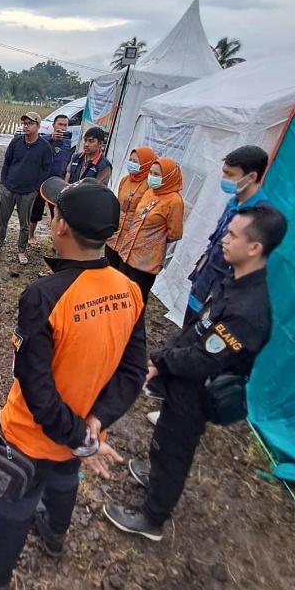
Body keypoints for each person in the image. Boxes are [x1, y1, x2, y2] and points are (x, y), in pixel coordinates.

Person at [0, 178, 147, 590]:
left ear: (60, 226)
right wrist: (93, 424)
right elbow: (133, 371)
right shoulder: (129, 290)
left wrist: (81, 436)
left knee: (15, 506)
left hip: (32, 437)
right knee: (63, 481)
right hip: (81, 431)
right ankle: (55, 535)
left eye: (55, 211)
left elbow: (36, 387)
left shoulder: (44, 295)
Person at [104, 206, 287, 541]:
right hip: (184, 380)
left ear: (255, 248)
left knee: (174, 449)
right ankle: (156, 476)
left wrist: (160, 362)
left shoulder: (248, 311)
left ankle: (151, 517)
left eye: (232, 235)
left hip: (198, 391)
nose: (223, 241)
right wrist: (163, 358)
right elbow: (197, 330)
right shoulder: (234, 281)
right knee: (164, 440)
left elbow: (203, 359)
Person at [185, 145, 271, 325]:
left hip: (218, 299)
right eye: (224, 173)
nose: (224, 179)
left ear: (252, 177)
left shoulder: (259, 216)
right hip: (201, 286)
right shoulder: (233, 203)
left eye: (230, 175)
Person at [0, 112, 52, 265]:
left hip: (28, 192)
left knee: (24, 225)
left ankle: (21, 250)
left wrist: (35, 189)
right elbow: (7, 163)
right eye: (24, 123)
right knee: (3, 220)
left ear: (38, 126)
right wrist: (3, 184)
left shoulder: (44, 147)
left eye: (30, 123)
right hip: (9, 188)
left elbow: (46, 169)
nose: (26, 126)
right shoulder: (15, 142)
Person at [116, 157, 184, 306]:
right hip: (128, 251)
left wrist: (153, 239)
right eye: (151, 173)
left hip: (146, 260)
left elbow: (175, 233)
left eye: (157, 174)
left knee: (136, 298)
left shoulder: (175, 201)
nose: (152, 177)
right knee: (120, 291)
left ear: (169, 176)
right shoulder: (149, 192)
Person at [105, 146, 157, 269]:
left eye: (136, 162)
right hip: (115, 233)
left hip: (132, 238)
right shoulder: (125, 180)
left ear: (146, 164)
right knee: (108, 268)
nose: (131, 164)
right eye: (130, 160)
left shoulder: (150, 186)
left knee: (122, 273)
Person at [27, 114, 75, 248]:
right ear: (54, 125)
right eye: (60, 124)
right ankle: (30, 236)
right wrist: (51, 139)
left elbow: (67, 161)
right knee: (36, 210)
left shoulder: (67, 142)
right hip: (42, 180)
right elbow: (36, 149)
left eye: (65, 125)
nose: (63, 127)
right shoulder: (44, 140)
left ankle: (56, 241)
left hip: (58, 182)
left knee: (58, 212)